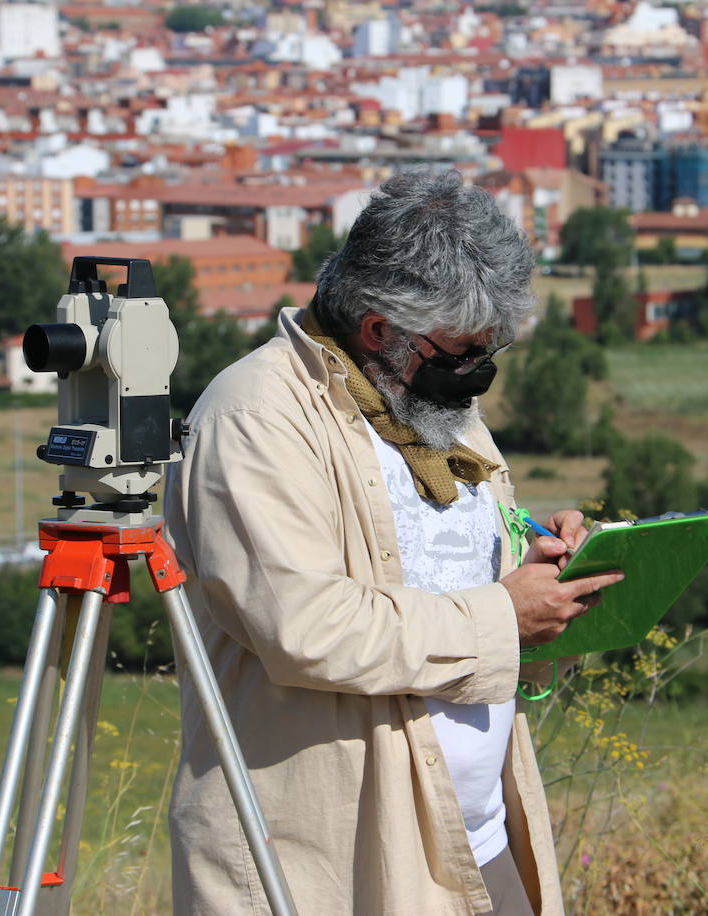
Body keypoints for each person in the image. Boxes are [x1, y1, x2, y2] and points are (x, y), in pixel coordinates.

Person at [164, 169, 622, 915]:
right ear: (379, 329)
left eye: (491, 348)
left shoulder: (431, 406)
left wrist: (541, 562)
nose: (479, 375)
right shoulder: (256, 420)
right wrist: (505, 617)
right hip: (339, 867)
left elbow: (451, 564)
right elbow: (306, 625)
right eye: (461, 352)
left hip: (476, 843)